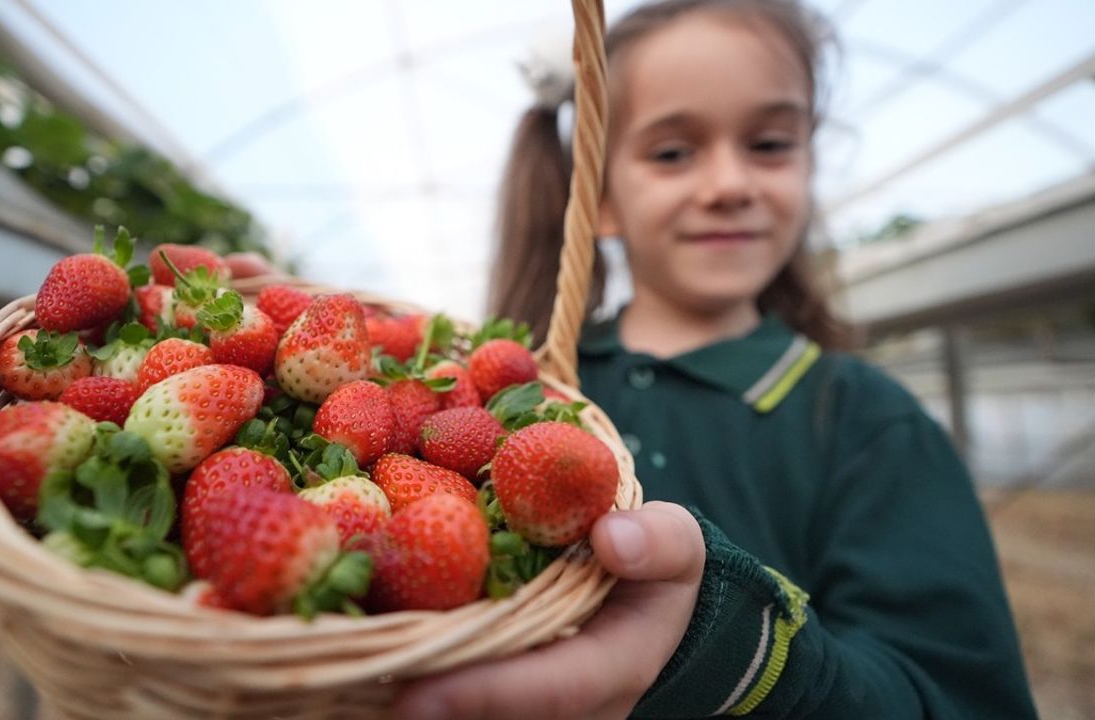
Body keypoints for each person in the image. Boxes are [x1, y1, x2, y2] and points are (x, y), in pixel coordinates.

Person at [395, 1, 1039, 718]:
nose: (730, 184)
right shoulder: (522, 388)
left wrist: (735, 655)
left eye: (769, 143)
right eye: (672, 152)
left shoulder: (865, 422)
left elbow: (959, 698)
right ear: (599, 196)